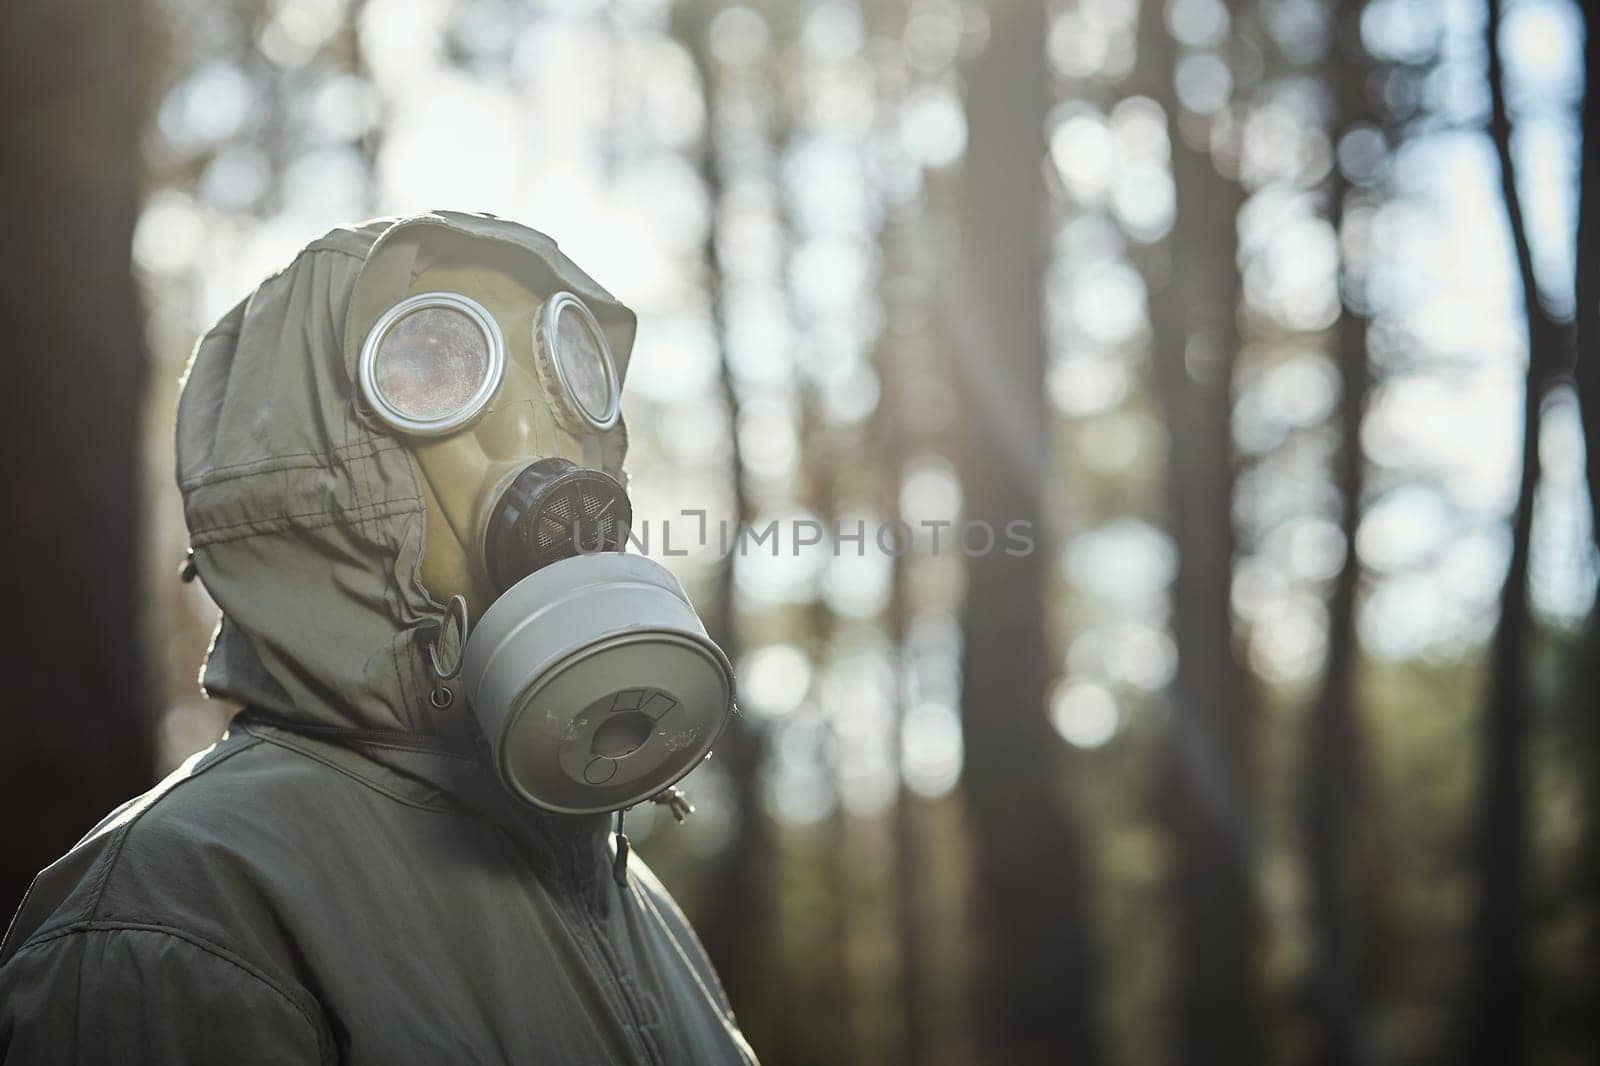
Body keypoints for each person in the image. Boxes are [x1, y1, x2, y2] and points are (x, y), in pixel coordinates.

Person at [0, 211, 758, 1065]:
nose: (535, 440)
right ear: (316, 475)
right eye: (438, 371)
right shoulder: (178, 915)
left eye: (565, 379)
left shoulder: (615, 884)